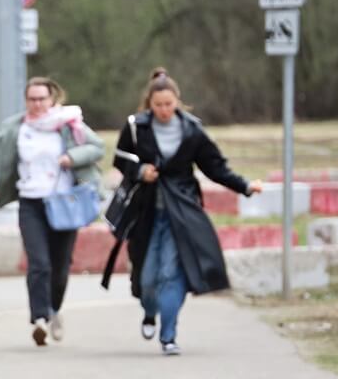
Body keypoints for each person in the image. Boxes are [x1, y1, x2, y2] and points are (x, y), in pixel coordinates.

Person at [110, 67, 263, 355]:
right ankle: (149, 311)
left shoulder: (193, 130)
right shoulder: (135, 127)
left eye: (169, 105)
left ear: (177, 101)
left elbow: (215, 167)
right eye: (158, 106)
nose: (164, 111)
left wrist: (244, 185)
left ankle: (169, 335)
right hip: (145, 213)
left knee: (171, 272)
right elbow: (120, 159)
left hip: (181, 212)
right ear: (149, 105)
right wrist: (140, 170)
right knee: (147, 277)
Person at [0, 77, 105, 346]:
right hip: (31, 202)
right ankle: (39, 319)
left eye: (41, 99)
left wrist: (73, 158)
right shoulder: (16, 129)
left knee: (60, 266)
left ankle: (54, 309)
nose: (36, 104)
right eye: (31, 99)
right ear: (26, 101)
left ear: (52, 99)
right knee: (39, 263)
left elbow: (97, 148)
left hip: (64, 203)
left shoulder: (69, 125)